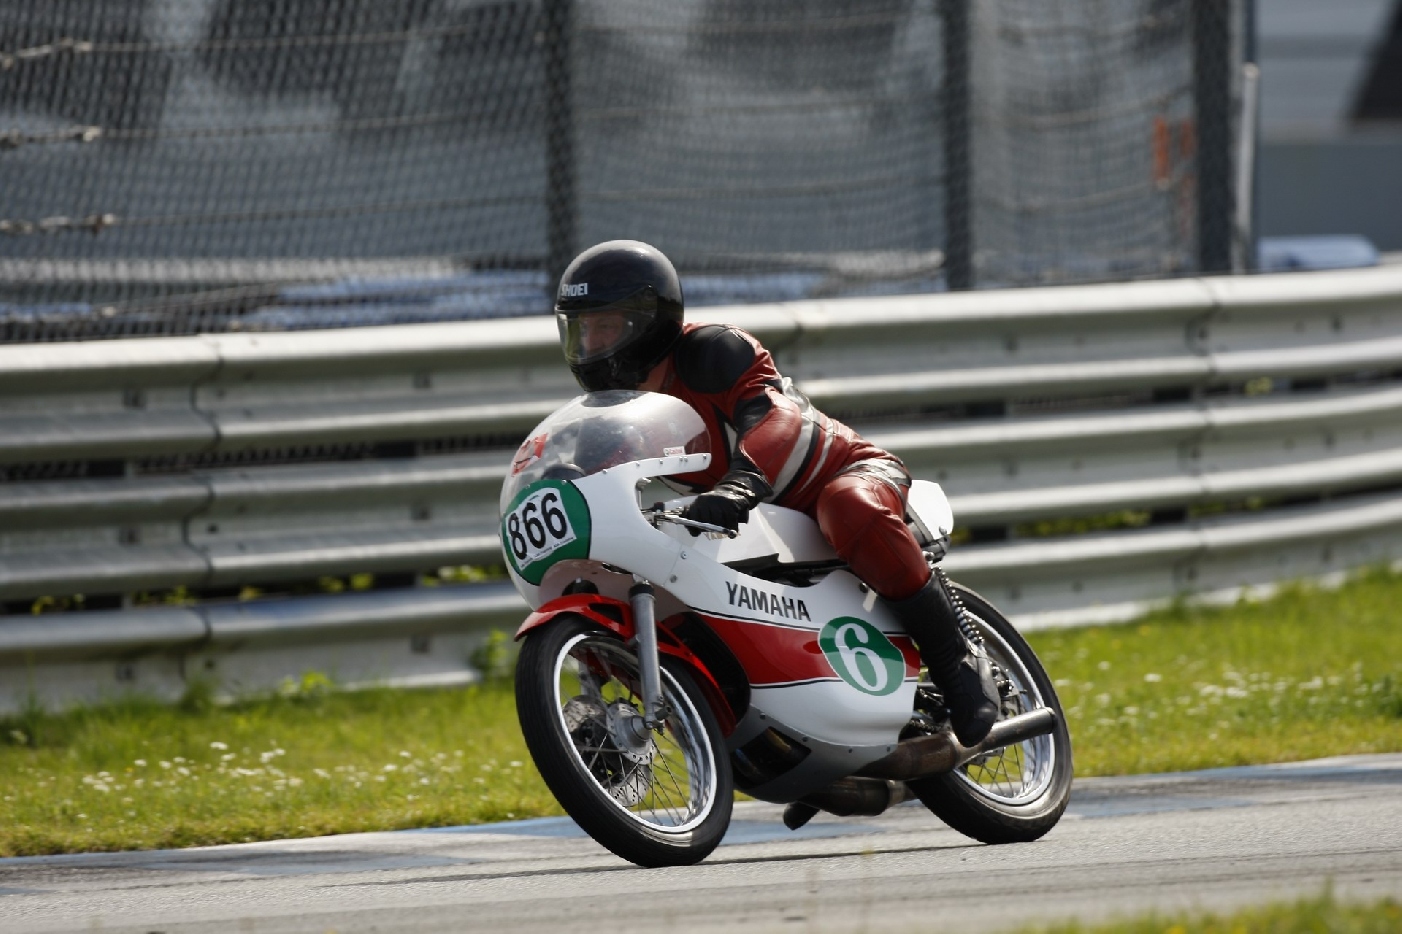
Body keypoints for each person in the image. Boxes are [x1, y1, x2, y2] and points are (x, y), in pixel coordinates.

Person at [554, 239, 1000, 746]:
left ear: (647, 321)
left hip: (842, 476)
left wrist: (742, 482)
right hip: (752, 527)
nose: (592, 344)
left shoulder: (713, 351)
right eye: (582, 329)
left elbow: (775, 416)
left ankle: (956, 658)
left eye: (606, 326)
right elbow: (593, 478)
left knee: (847, 506)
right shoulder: (612, 411)